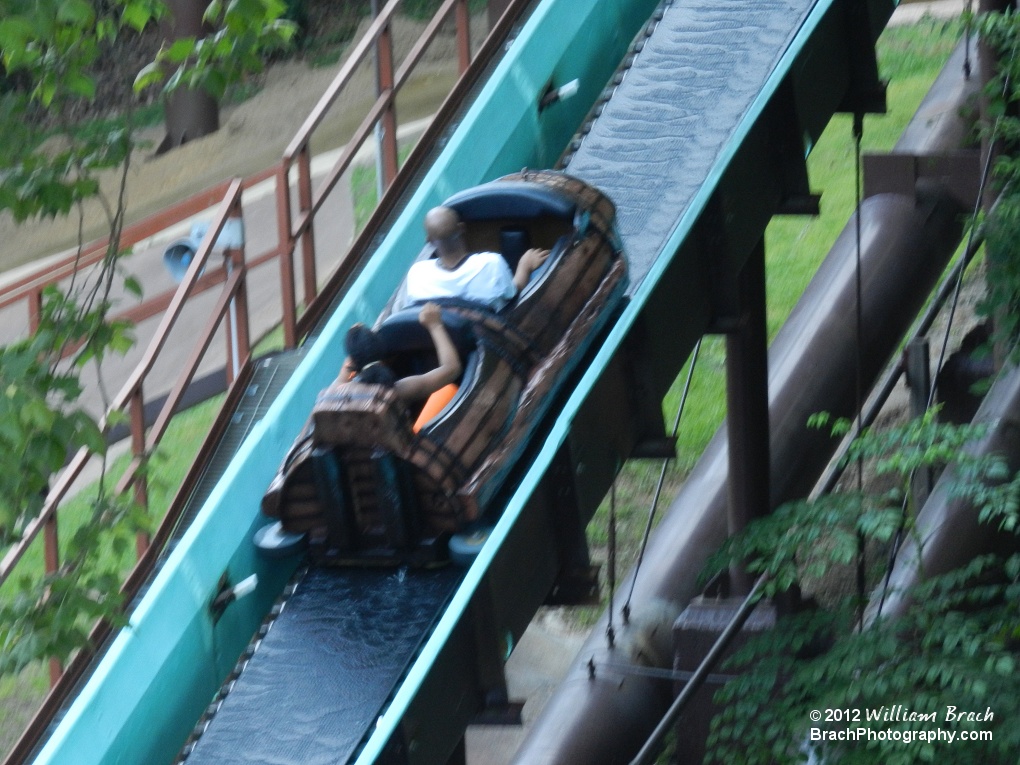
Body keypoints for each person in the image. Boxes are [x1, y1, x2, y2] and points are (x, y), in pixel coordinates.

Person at [401, 205, 550, 311]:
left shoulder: (416, 274)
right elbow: (514, 294)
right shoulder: (491, 263)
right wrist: (525, 265)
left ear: (429, 240)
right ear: (462, 228)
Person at [340, 301, 461, 403]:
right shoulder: (398, 391)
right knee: (447, 392)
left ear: (351, 362)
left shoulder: (338, 394)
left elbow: (345, 372)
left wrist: (354, 346)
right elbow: (452, 369)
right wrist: (435, 325)